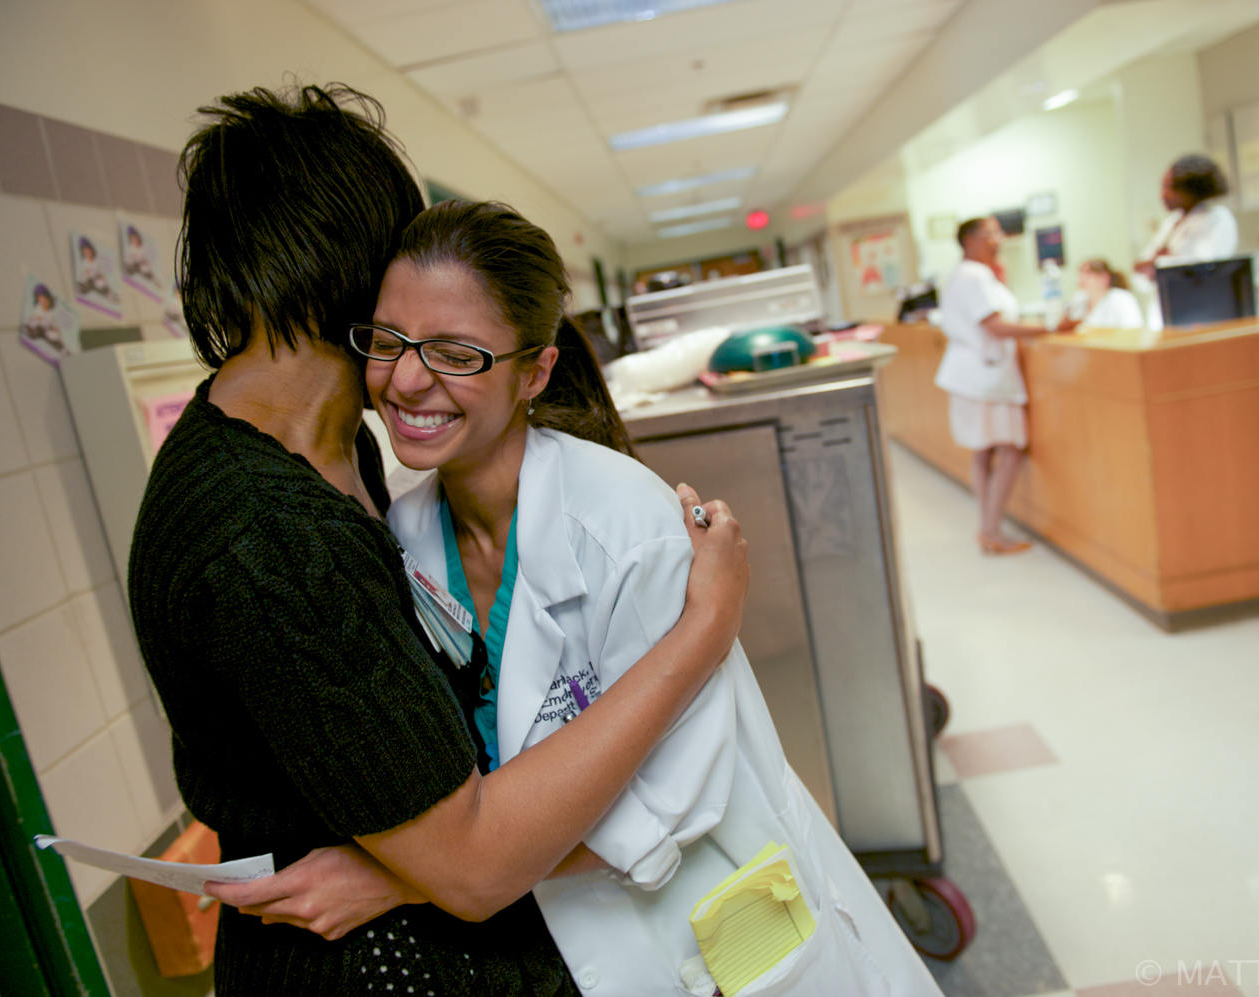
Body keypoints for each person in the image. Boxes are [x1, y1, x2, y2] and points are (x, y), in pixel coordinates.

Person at [220, 199, 940, 996]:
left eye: (456, 353)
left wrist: (408, 878)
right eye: (389, 343)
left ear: (534, 371)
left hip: (716, 928)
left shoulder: (629, 529)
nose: (408, 379)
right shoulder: (404, 528)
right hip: (558, 945)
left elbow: (675, 804)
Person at [128, 84, 749, 997]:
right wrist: (706, 628)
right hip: (380, 970)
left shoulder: (338, 456)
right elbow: (472, 862)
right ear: (364, 272)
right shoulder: (267, 533)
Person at [934, 218, 1049, 555]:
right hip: (985, 376)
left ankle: (988, 528)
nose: (999, 240)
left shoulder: (969, 274)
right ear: (971, 240)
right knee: (1011, 450)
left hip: (973, 375)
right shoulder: (974, 276)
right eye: (992, 234)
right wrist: (1049, 327)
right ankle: (991, 530)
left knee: (983, 452)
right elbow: (995, 325)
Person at [1134, 155, 1238, 328]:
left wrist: (1160, 263)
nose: (1162, 195)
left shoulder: (1217, 219)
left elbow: (1207, 269)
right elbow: (1140, 276)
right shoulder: (1171, 223)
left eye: (1168, 187)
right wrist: (1159, 265)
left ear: (1190, 188)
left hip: (1200, 316)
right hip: (1164, 319)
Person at [1054, 258, 1143, 331]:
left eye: (1087, 273)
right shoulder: (1078, 299)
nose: (1081, 278)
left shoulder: (1122, 299)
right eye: (1080, 273)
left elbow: (1134, 331)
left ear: (1104, 278)